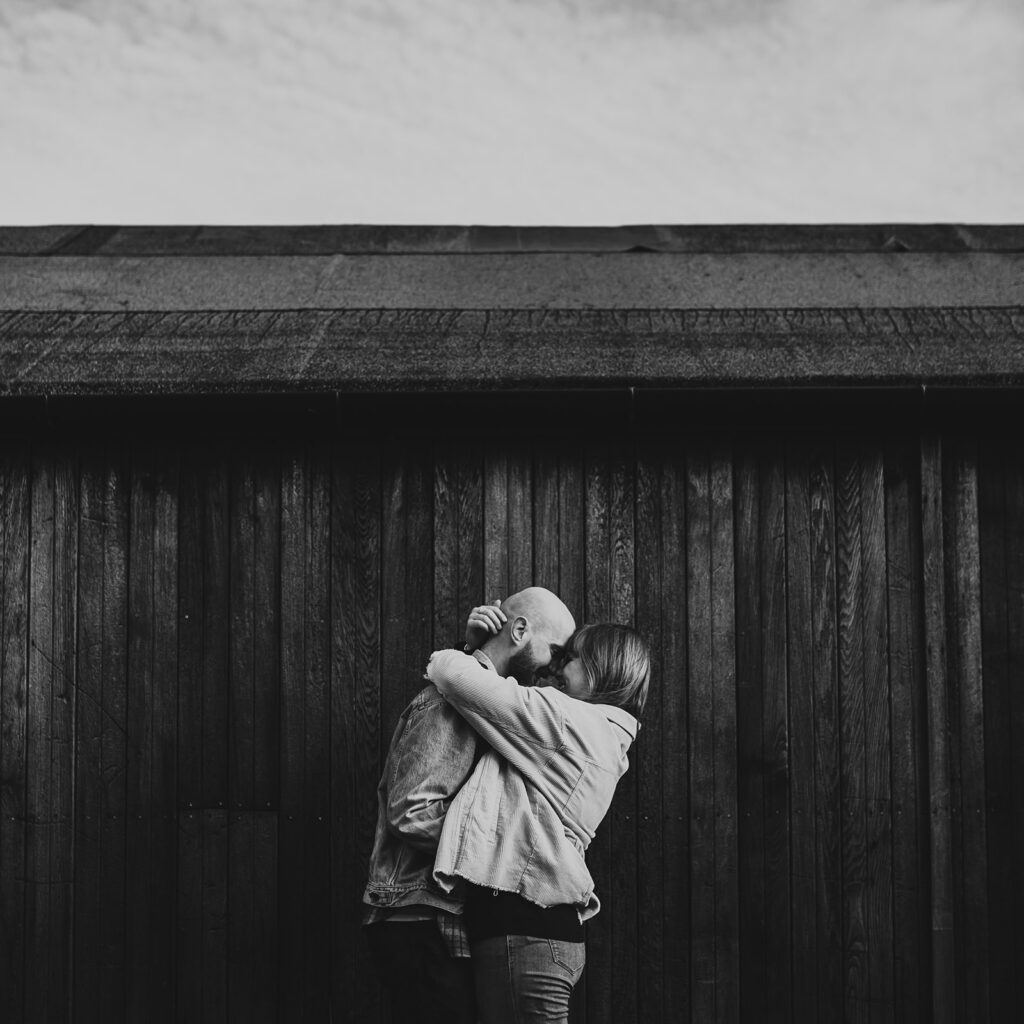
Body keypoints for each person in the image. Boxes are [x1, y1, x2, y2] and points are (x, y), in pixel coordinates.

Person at [425, 609, 651, 1024]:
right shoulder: (599, 734)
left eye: (573, 657)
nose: (559, 666)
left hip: (525, 933)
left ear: (602, 671)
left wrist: (477, 648)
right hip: (535, 933)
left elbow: (454, 676)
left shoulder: (570, 722)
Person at [362, 587, 576, 1024]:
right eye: (554, 652)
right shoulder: (449, 703)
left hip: (439, 917)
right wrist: (503, 849)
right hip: (421, 918)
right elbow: (412, 811)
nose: (554, 668)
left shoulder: (482, 702)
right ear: (519, 630)